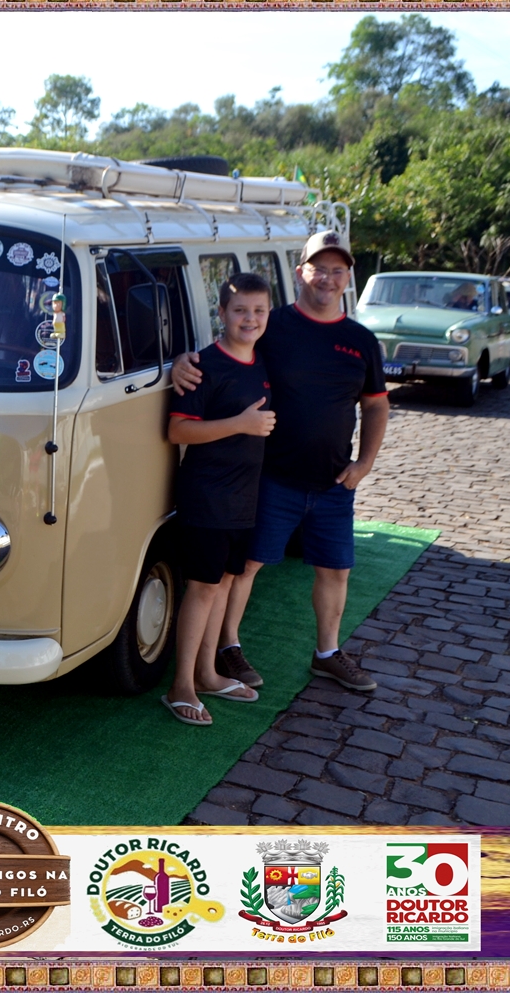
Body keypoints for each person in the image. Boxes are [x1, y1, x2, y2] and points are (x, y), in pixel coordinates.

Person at [171, 229, 389, 692]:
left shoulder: (361, 341)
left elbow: (375, 405)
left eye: (337, 270)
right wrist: (181, 362)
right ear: (300, 272)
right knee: (246, 566)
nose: (327, 278)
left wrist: (365, 463)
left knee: (336, 569)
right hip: (271, 476)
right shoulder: (273, 325)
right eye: (318, 268)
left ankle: (327, 653)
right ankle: (228, 647)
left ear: (348, 277)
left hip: (335, 480)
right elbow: (226, 351)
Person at [160, 272, 274, 724]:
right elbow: (178, 431)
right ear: (222, 313)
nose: (250, 319)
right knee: (203, 587)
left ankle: (207, 674)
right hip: (207, 496)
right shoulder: (202, 366)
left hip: (244, 498)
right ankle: (181, 686)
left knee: (225, 583)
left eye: (259, 310)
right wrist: (240, 424)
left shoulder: (263, 361)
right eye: (240, 310)